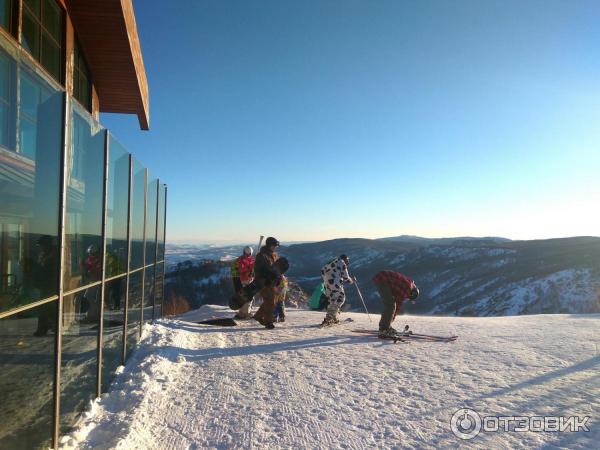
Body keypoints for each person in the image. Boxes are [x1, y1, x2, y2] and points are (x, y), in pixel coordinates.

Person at [372, 270, 419, 339]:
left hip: (383, 277)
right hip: (383, 279)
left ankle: (385, 326)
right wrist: (391, 320)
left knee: (390, 304)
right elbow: (397, 304)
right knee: (390, 305)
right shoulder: (407, 288)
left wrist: (390, 321)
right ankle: (384, 329)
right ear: (411, 293)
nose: (407, 297)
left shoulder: (409, 284)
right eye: (408, 296)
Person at [252, 237, 282, 329]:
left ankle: (258, 316)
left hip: (271, 282)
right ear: (269, 245)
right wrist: (267, 277)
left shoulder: (273, 255)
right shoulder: (261, 255)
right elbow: (258, 270)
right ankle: (268, 322)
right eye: (274, 245)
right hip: (263, 282)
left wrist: (278, 277)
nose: (275, 247)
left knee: (269, 301)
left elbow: (275, 268)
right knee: (270, 302)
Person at [320, 254, 353, 326]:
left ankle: (333, 316)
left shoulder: (331, 261)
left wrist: (328, 279)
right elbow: (346, 277)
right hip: (335, 283)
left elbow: (322, 270)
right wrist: (351, 280)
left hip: (327, 283)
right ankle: (329, 318)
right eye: (347, 260)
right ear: (345, 259)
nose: (347, 262)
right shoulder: (341, 262)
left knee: (332, 299)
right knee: (341, 298)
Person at [234, 246, 255, 319]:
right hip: (245, 280)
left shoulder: (250, 259)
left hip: (248, 279)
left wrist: (253, 269)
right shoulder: (242, 260)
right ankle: (245, 313)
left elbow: (252, 267)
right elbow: (241, 270)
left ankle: (242, 312)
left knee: (245, 296)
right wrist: (249, 270)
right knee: (248, 296)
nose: (248, 255)